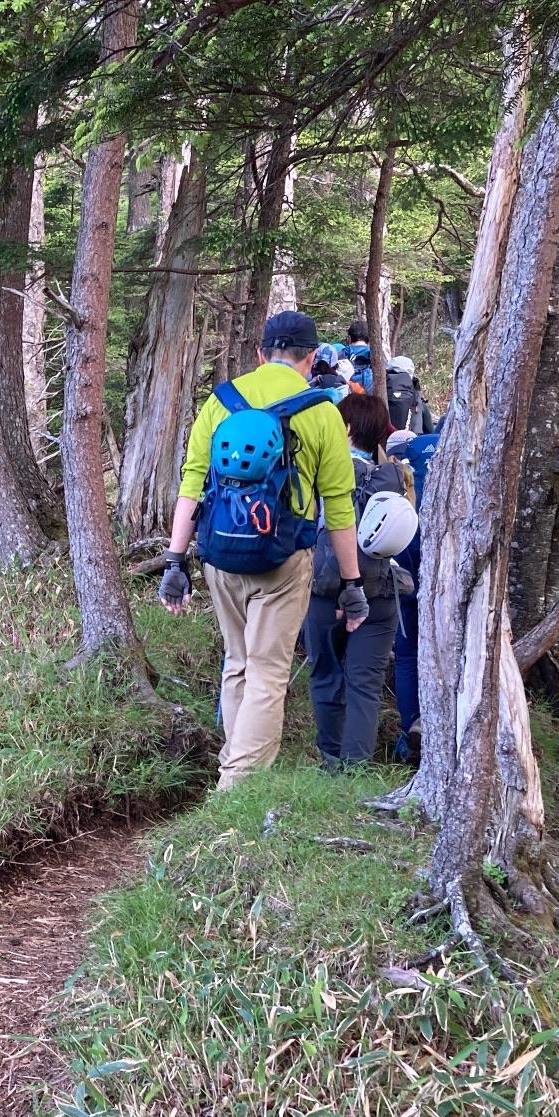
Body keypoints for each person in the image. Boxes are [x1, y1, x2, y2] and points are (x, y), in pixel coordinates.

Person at [158, 310, 366, 789]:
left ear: (261, 353)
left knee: (237, 663)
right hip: (284, 559)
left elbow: (193, 482)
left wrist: (175, 560)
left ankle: (234, 764)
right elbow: (338, 507)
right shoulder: (321, 412)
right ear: (311, 358)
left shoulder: (221, 402)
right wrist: (352, 583)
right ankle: (237, 788)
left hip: (220, 555)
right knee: (269, 672)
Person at [303, 394, 412, 771]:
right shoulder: (396, 477)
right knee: (364, 682)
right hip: (381, 592)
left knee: (326, 673)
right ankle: (357, 766)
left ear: (345, 428)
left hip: (325, 589)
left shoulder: (324, 472)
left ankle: (331, 760)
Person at [387, 424, 441, 763]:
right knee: (443, 649)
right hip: (446, 563)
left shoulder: (412, 452)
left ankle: (409, 731)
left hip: (406, 554)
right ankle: (440, 727)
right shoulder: (463, 447)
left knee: (406, 652)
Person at [383, 354, 434, 434]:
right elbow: (430, 430)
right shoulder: (416, 398)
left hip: (383, 443)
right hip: (412, 443)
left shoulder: (379, 389)